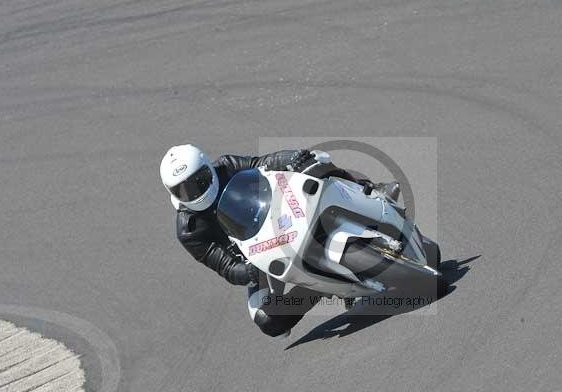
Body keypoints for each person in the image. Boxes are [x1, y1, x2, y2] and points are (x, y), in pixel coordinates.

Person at [160, 144, 399, 338]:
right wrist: (247, 271)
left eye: (198, 181)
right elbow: (225, 266)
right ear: (173, 193)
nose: (194, 192)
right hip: (260, 255)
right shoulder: (189, 231)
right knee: (267, 319)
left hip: (279, 213)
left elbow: (262, 163)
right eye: (184, 190)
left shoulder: (226, 166)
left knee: (315, 162)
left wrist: (293, 158)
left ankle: (370, 191)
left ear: (206, 167)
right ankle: (317, 288)